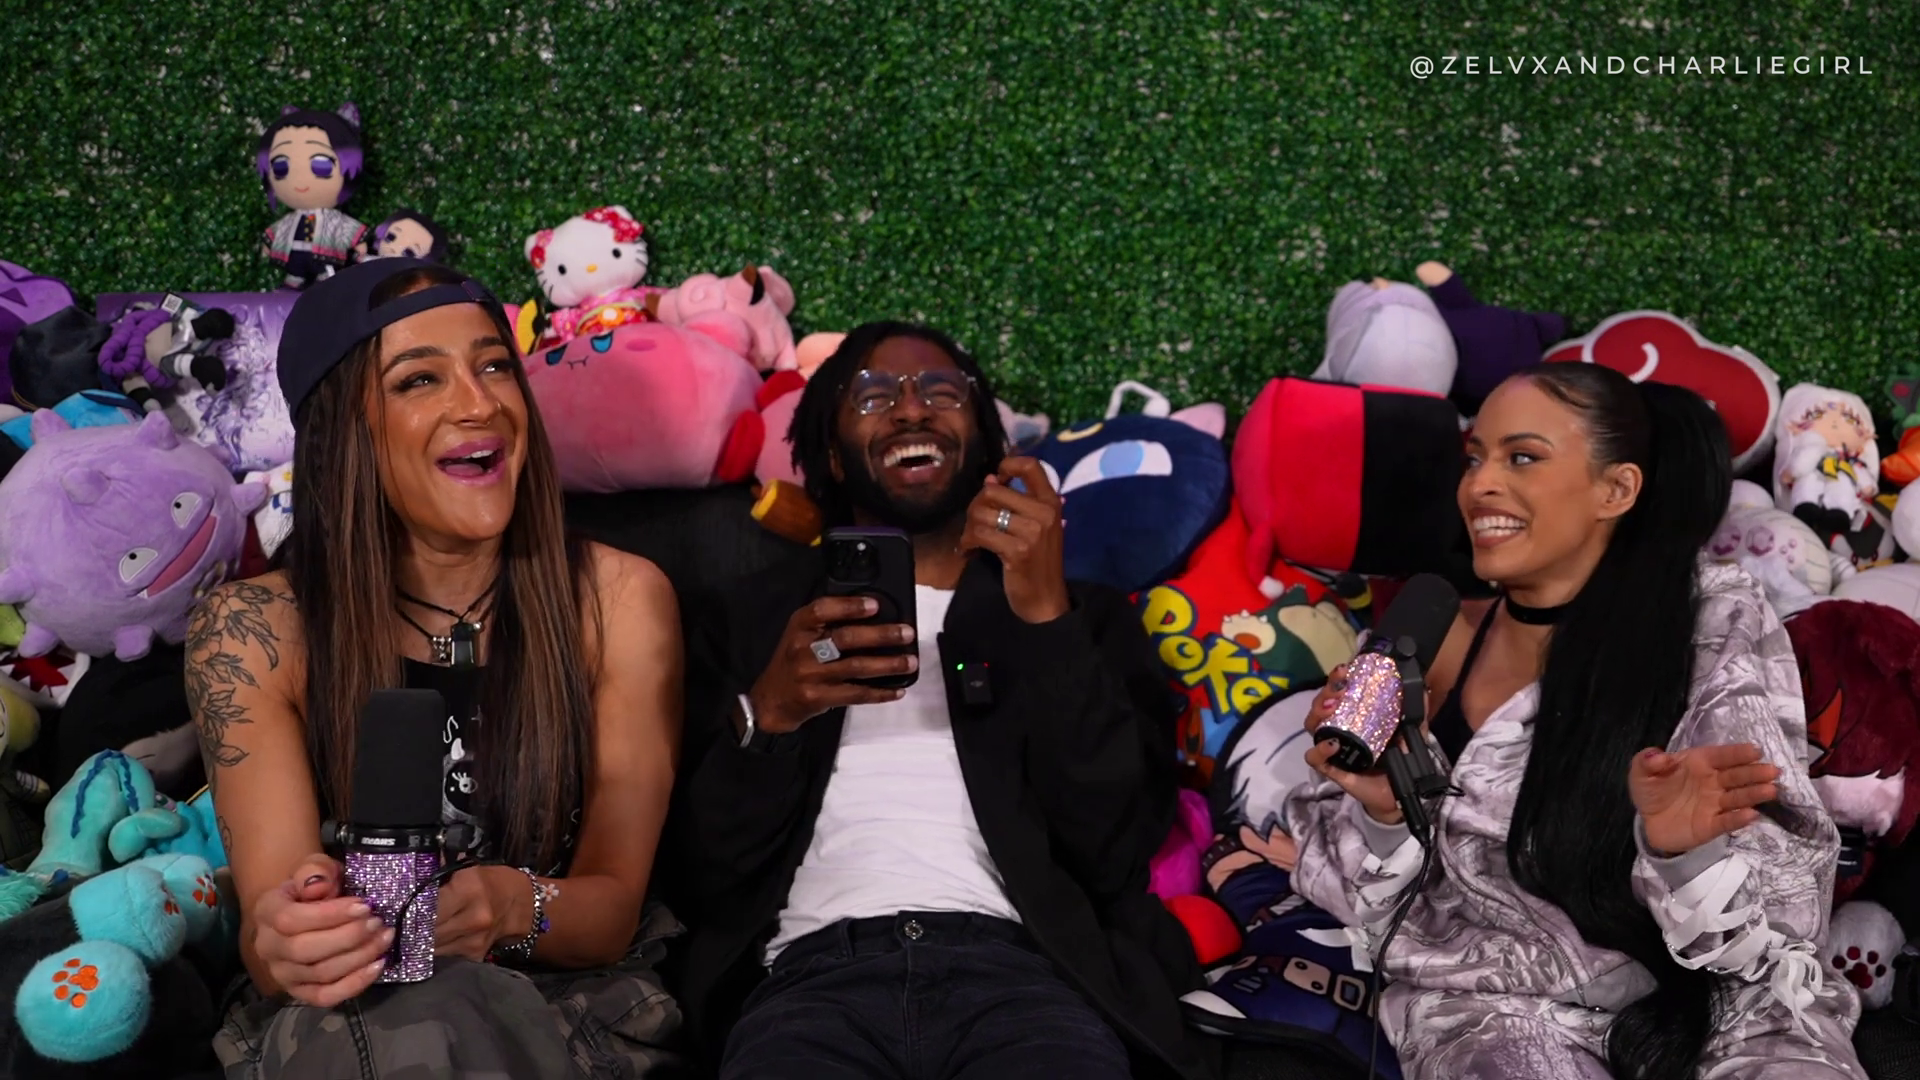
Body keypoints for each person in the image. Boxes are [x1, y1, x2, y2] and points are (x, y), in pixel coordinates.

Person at [1287, 362, 1866, 1080]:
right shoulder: (1437, 640)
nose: (1480, 484)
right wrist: (1386, 812)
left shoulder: (1710, 617)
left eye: (1522, 457)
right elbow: (1394, 907)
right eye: (1474, 459)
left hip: (1717, 1000)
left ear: (1615, 489)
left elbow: (1775, 924)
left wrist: (1684, 854)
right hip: (1497, 1012)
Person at [663, 321, 1210, 1080]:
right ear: (832, 454)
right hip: (807, 982)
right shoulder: (752, 621)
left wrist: (1046, 620)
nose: (912, 409)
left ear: (984, 442)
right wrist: (769, 717)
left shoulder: (1081, 617)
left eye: (943, 392)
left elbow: (1114, 848)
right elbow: (697, 874)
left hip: (1024, 979)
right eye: (873, 396)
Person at [189, 258, 685, 1077]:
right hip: (344, 1019)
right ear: (344, 430)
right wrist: (296, 938)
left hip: (564, 1007)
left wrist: (506, 904)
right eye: (420, 379)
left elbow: (611, 909)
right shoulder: (251, 630)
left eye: (494, 366)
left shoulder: (618, 599)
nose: (480, 403)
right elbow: (269, 942)